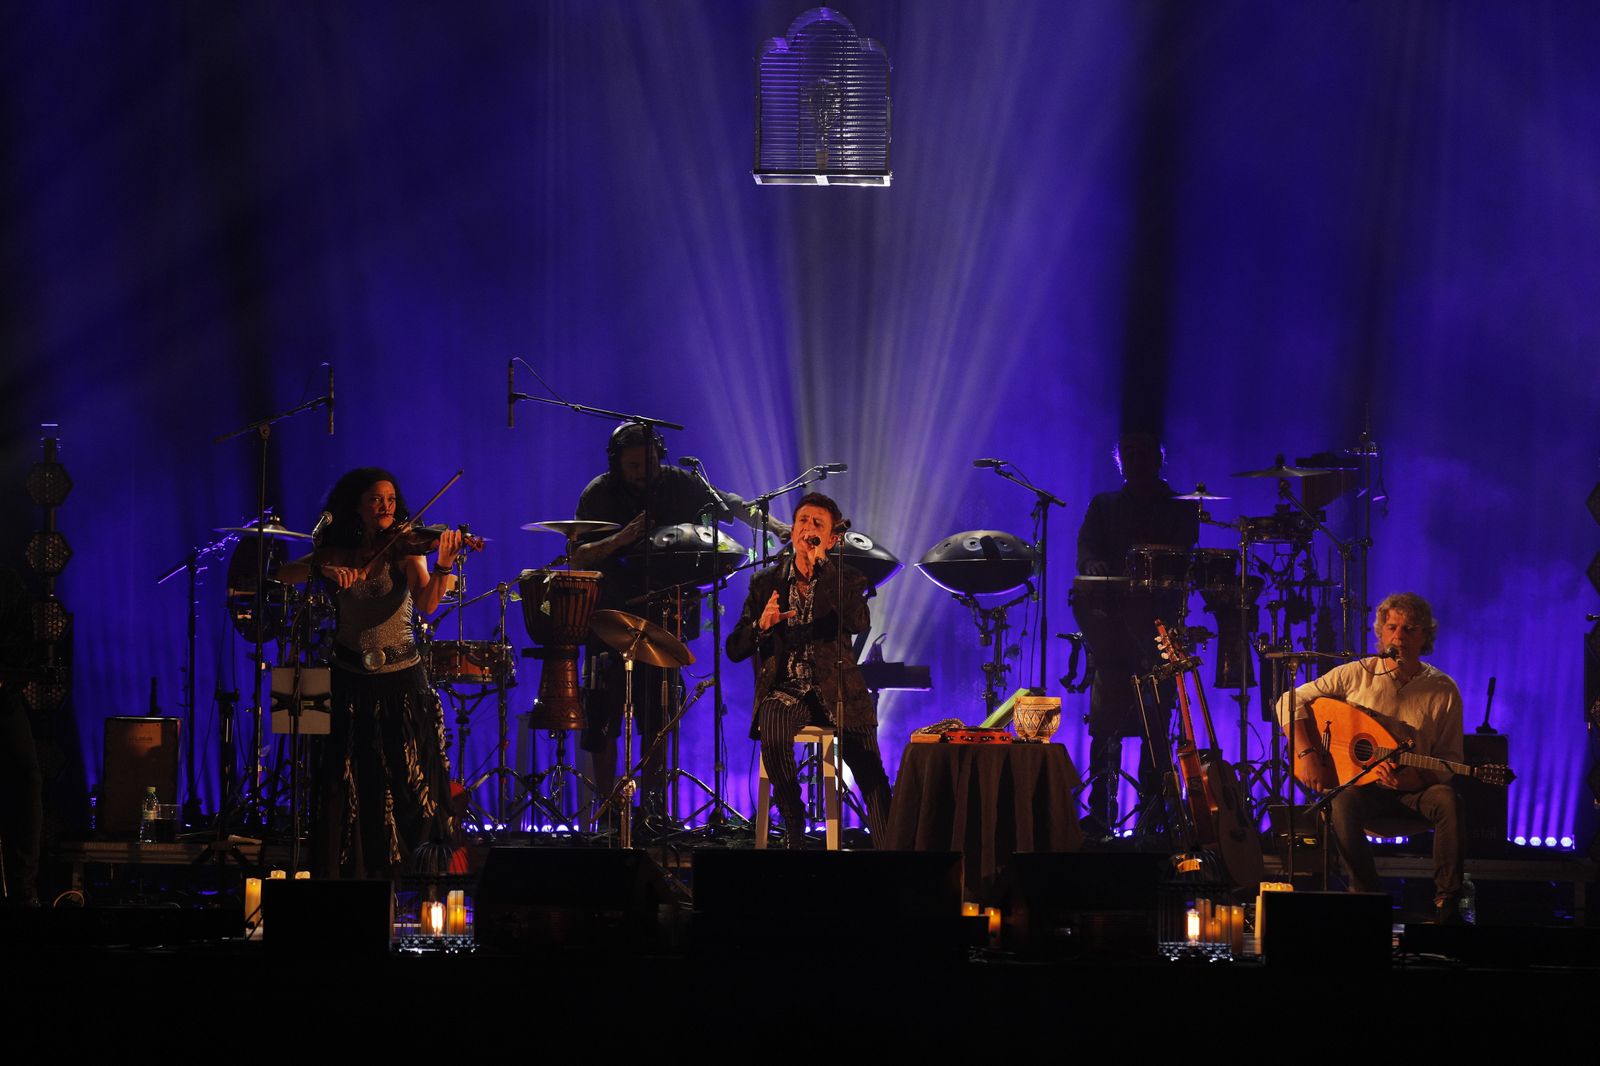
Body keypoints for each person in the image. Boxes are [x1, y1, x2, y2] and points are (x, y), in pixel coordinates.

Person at [569, 422, 777, 826]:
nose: (641, 472)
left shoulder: (676, 482)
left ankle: (652, 810)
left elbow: (729, 503)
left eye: (648, 462)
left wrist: (773, 526)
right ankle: (608, 809)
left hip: (665, 614)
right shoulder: (599, 493)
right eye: (632, 466)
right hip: (610, 615)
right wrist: (620, 539)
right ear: (616, 463)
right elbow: (577, 556)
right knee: (603, 714)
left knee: (660, 714)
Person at [280, 467, 464, 878]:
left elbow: (429, 604)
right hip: (348, 677)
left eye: (391, 500)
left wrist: (445, 563)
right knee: (345, 785)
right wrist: (323, 570)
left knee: (407, 782)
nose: (385, 507)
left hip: (400, 677)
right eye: (375, 500)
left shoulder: (407, 547)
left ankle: (411, 879)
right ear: (356, 507)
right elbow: (284, 574)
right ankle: (347, 880)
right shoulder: (335, 550)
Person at [1277, 592, 1466, 920]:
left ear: (1424, 636)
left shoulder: (1443, 690)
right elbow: (1288, 701)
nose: (1399, 636)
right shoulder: (1355, 673)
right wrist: (1306, 753)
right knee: (1342, 801)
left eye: (1409, 629)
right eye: (1392, 627)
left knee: (1448, 800)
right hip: (1364, 788)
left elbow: (1449, 759)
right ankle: (1367, 897)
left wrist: (1414, 778)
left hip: (1415, 791)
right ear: (1380, 633)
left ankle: (1447, 900)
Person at [726, 492, 892, 848]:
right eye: (803, 521)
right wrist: (760, 626)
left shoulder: (847, 578)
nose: (808, 528)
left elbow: (859, 621)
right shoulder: (765, 584)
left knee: (871, 773)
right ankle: (793, 820)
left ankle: (890, 851)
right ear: (792, 531)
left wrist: (825, 570)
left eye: (818, 524)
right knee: (771, 728)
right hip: (787, 692)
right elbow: (734, 649)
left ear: (832, 538)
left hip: (840, 691)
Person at [1072, 431, 1198, 836]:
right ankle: (1102, 811)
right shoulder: (1104, 505)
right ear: (1120, 461)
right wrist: (1093, 566)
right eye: (1129, 455)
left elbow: (1183, 558)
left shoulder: (1178, 508)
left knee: (1156, 727)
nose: (1136, 462)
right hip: (1111, 628)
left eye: (1143, 455)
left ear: (1157, 460)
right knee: (1107, 722)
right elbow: (1087, 548)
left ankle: (1152, 814)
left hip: (1157, 627)